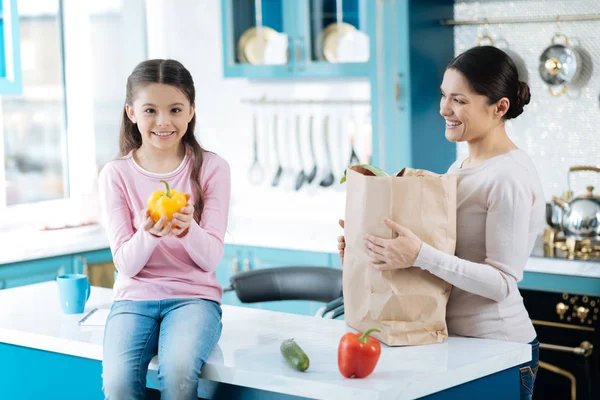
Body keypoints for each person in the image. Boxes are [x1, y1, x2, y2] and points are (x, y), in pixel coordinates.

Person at [337, 46, 543, 400]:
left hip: (497, 349)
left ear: (500, 107)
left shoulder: (509, 176)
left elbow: (501, 283)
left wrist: (418, 254)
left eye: (459, 100)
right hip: (453, 344)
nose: (444, 109)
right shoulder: (459, 168)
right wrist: (375, 249)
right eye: (444, 96)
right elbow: (441, 258)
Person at [98, 59, 231, 399]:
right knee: (117, 383)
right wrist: (150, 233)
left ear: (191, 111)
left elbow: (210, 259)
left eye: (175, 109)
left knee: (177, 374)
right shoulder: (116, 175)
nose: (163, 122)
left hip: (194, 299)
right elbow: (125, 264)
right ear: (131, 113)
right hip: (134, 299)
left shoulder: (213, 169)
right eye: (150, 110)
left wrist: (188, 230)